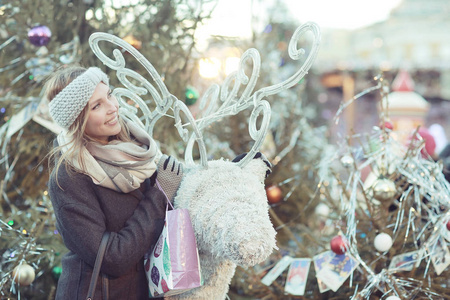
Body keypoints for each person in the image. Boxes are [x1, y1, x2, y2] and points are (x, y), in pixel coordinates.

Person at [44, 65, 182, 299]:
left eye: (109, 95)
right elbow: (112, 258)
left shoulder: (134, 151)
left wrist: (233, 170)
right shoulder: (68, 177)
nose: (113, 107)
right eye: (97, 106)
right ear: (77, 121)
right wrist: (160, 194)